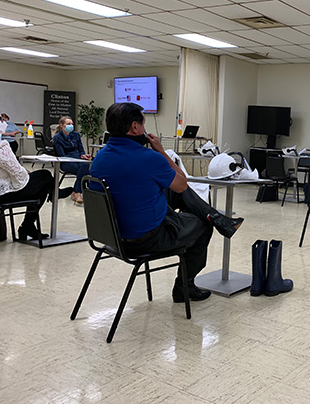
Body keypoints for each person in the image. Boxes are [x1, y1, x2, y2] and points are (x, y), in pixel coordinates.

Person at [89, 103, 244, 303]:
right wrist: (161, 151)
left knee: (177, 195)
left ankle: (218, 219)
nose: (145, 129)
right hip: (145, 238)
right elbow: (182, 182)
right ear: (135, 127)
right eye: (143, 124)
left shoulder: (100, 157)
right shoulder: (149, 158)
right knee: (203, 226)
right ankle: (184, 287)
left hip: (114, 235)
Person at [0, 108, 73, 241]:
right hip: (5, 194)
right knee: (44, 176)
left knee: (42, 184)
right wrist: (26, 172)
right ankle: (54, 193)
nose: (3, 122)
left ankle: (28, 225)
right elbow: (19, 175)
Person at [52, 116, 92, 204]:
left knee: (85, 165)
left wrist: (83, 155)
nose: (71, 125)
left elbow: (81, 149)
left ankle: (76, 192)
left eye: (72, 124)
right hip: (66, 162)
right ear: (62, 125)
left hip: (79, 160)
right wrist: (78, 157)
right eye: (68, 124)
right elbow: (62, 155)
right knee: (85, 170)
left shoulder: (76, 135)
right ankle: (78, 192)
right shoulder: (57, 138)